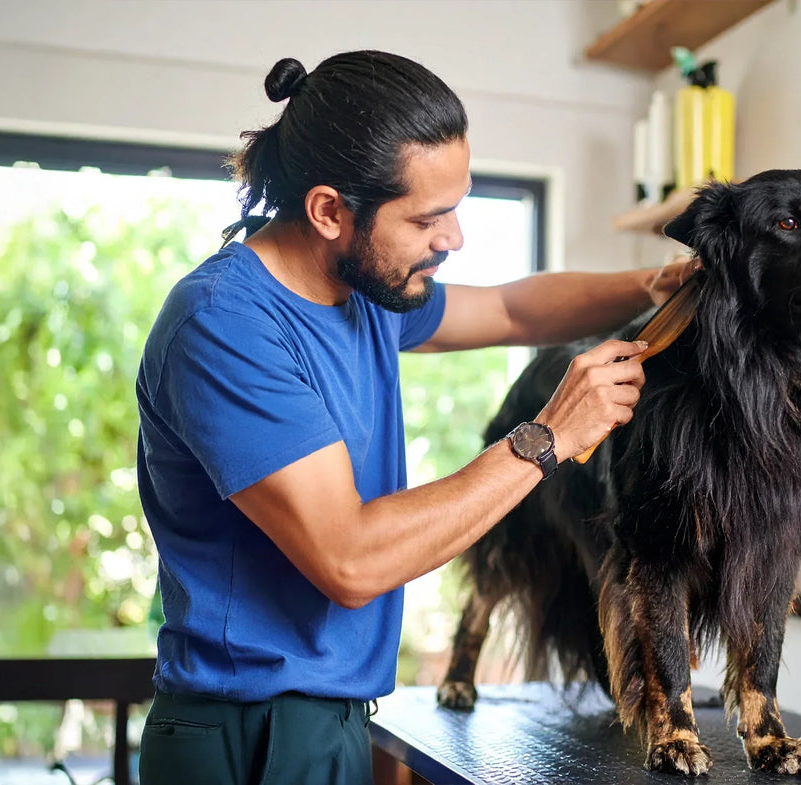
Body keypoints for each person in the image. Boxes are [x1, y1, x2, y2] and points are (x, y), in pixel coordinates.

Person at [135, 50, 696, 785]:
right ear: (330, 210)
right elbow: (351, 559)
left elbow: (507, 308)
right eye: (429, 217)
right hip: (248, 735)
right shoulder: (227, 326)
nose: (454, 238)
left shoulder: (361, 291)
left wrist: (656, 283)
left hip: (327, 722)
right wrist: (548, 435)